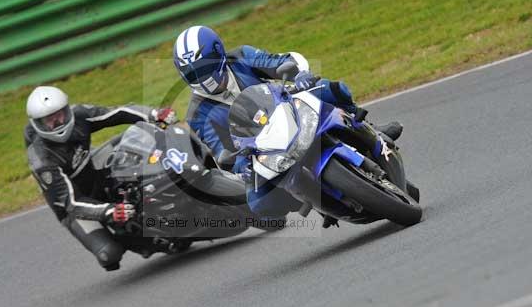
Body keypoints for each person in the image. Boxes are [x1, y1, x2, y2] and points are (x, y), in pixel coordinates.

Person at [173, 25, 402, 225]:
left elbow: (282, 61)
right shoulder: (196, 115)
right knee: (260, 204)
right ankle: (309, 197)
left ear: (219, 54)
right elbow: (218, 150)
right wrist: (235, 162)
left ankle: (368, 127)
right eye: (193, 75)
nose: (204, 79)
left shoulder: (242, 57)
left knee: (333, 90)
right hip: (259, 150)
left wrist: (300, 74)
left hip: (287, 108)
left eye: (204, 70)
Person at [24, 86, 177, 271]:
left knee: (134, 139)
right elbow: (72, 202)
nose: (58, 121)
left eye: (60, 114)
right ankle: (134, 238)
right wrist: (109, 211)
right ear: (37, 124)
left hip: (91, 170)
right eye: (49, 119)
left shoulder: (79, 114)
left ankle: (170, 179)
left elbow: (118, 112)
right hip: (75, 208)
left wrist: (153, 113)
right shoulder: (41, 160)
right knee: (109, 254)